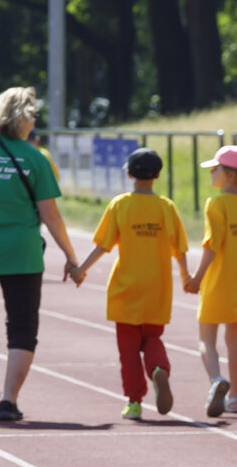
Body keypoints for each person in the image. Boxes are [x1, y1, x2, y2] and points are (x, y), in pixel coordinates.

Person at [0, 87, 78, 422]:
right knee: (23, 325)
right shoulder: (34, 157)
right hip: (22, 253)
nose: (35, 121)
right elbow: (51, 215)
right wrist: (71, 257)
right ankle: (9, 401)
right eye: (33, 115)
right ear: (22, 117)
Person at [70, 148, 191, 420]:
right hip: (157, 288)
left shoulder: (120, 205)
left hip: (126, 288)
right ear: (158, 175)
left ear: (128, 174)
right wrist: (186, 277)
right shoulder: (166, 207)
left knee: (128, 351)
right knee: (152, 338)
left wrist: (81, 270)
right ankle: (159, 369)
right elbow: (181, 249)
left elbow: (102, 245)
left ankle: (134, 401)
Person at [186, 145, 237, 417]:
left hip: (217, 283)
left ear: (230, 175)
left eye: (215, 169)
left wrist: (196, 277)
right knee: (234, 340)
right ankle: (236, 397)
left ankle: (217, 379)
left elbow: (212, 245)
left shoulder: (215, 204)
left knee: (206, 339)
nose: (212, 173)